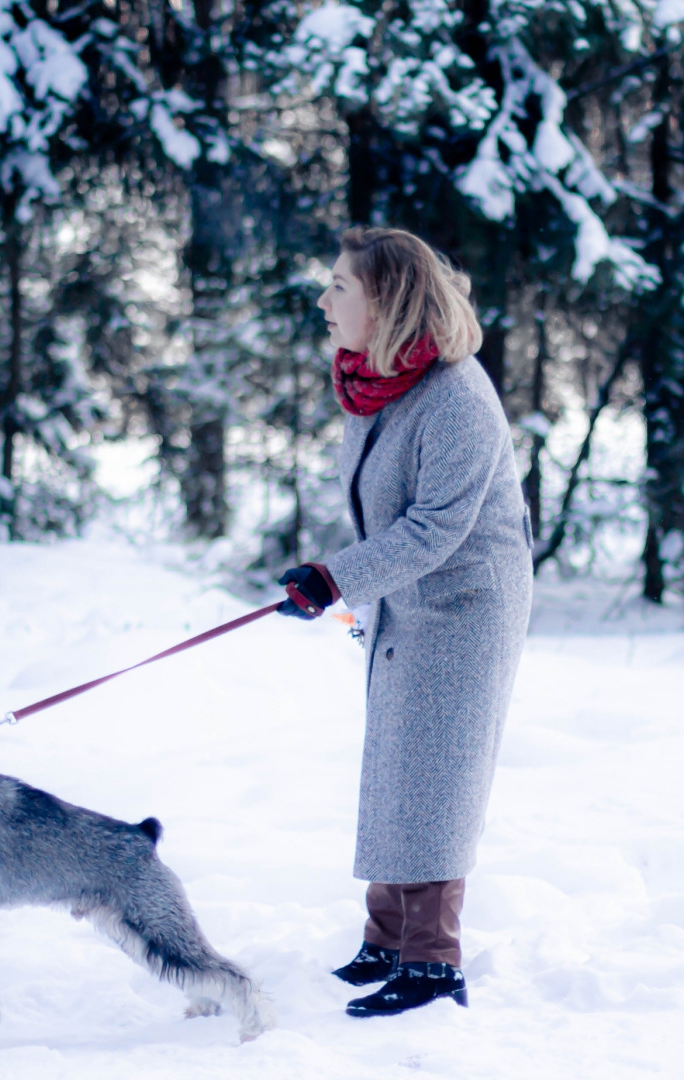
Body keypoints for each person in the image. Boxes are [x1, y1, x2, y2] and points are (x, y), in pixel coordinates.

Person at [278, 227, 533, 1017]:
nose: (324, 301)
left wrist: (335, 580)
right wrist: (348, 583)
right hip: (403, 595)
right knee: (395, 759)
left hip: (464, 604)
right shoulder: (376, 383)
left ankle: (431, 960)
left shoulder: (457, 396)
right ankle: (385, 937)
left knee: (438, 772)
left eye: (340, 287)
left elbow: (434, 529)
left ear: (386, 301)